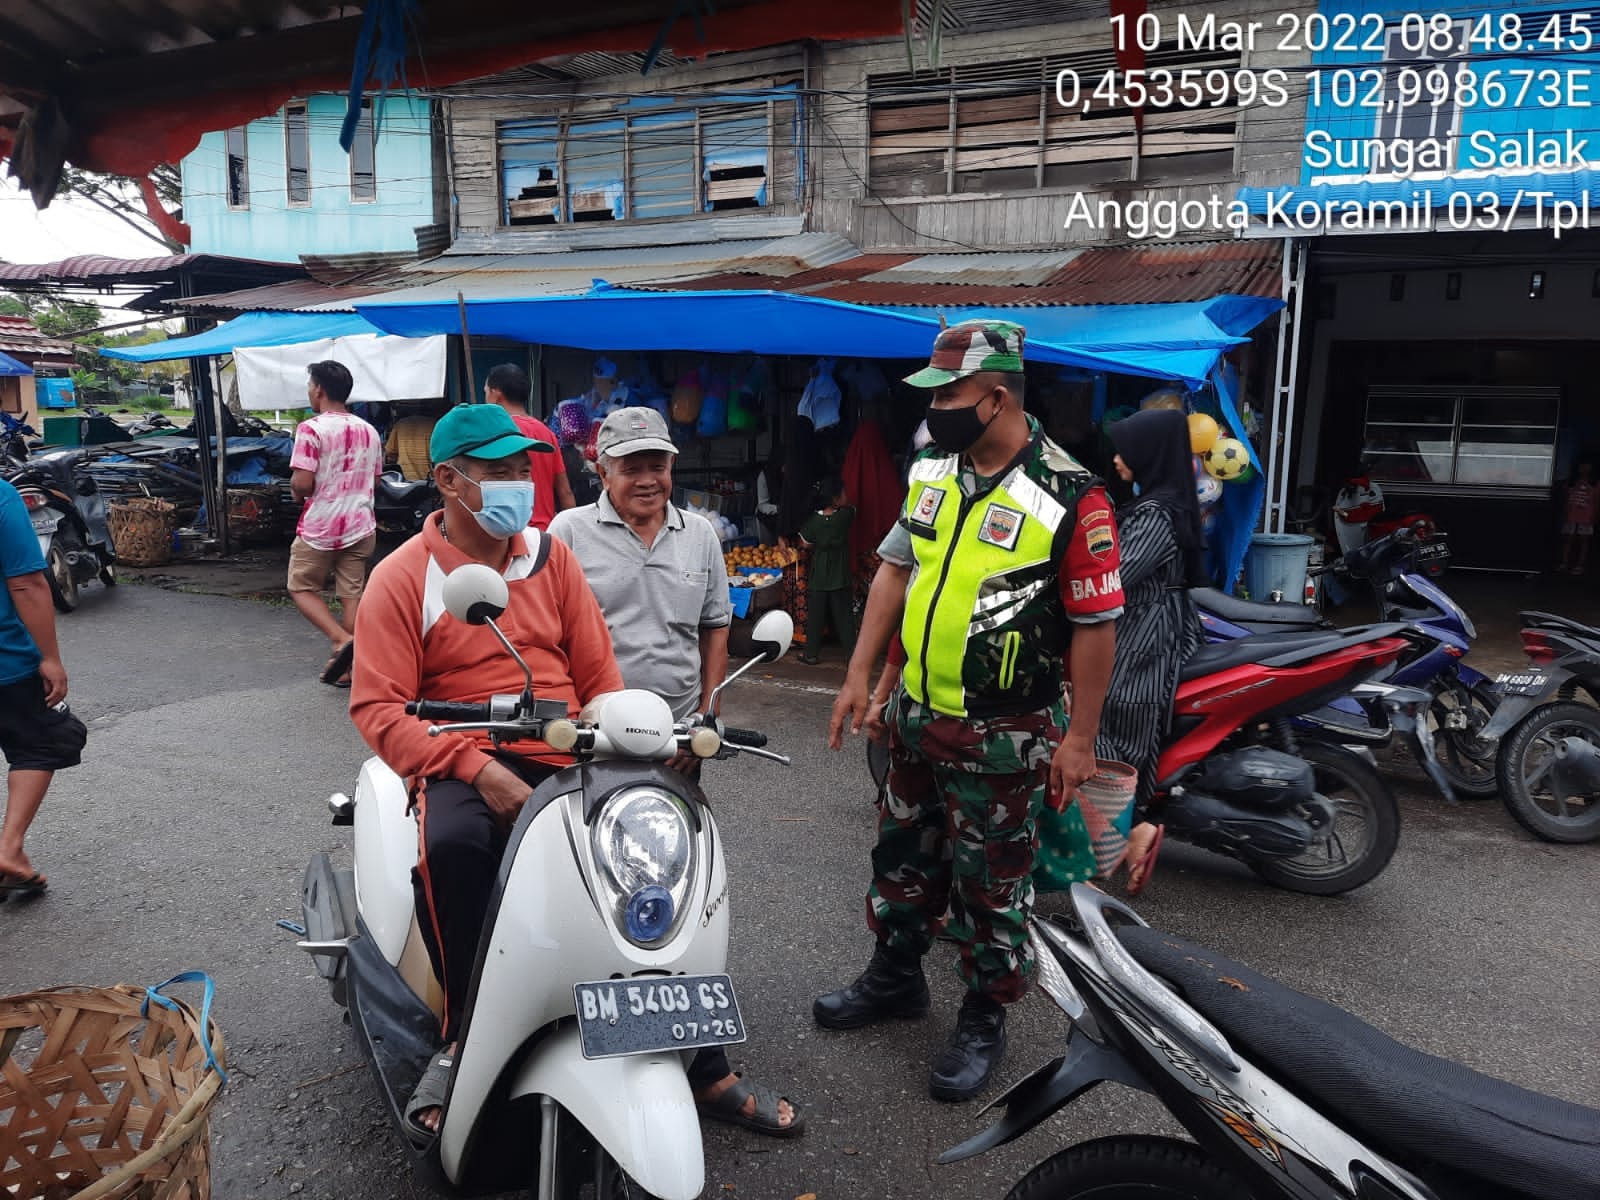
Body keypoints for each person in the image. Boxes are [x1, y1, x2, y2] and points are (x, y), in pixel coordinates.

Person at [817, 320, 1124, 1102]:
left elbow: (1095, 625)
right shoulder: (931, 470)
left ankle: (986, 1013)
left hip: (1005, 731)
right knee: (903, 857)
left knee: (992, 885)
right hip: (917, 714)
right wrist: (867, 680)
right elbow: (896, 574)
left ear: (995, 398)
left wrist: (1081, 738)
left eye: (948, 394)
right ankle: (895, 976)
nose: (936, 408)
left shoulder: (1069, 494)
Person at [350, 404, 620, 1138]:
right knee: (451, 850)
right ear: (448, 480)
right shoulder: (402, 577)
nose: (519, 486)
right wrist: (473, 766)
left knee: (653, 848)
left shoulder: (551, 559)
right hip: (461, 755)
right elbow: (378, 710)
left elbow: (598, 674)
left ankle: (701, 1052)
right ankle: (464, 1028)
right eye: (499, 471)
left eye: (522, 470)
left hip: (564, 745)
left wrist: (630, 733)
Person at [547, 407, 804, 1137]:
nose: (648, 478)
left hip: (680, 749)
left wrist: (708, 715)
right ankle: (572, 1036)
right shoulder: (566, 535)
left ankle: (704, 1066)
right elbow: (548, 633)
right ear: (602, 469)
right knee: (592, 891)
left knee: (683, 898)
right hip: (593, 745)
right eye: (631, 465)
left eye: (658, 463)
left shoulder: (702, 537)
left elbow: (716, 623)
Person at [1097, 409, 1208, 895]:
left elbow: (1113, 577)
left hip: (1143, 632)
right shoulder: (1162, 502)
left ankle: (1120, 836)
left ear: (1149, 454)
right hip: (1153, 623)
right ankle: (1123, 833)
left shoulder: (1156, 514)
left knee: (1113, 724)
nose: (1118, 459)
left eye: (1127, 450)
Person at [0, 478, 87, 897]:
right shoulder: (0, 495)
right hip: (6, 663)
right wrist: (49, 658)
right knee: (43, 741)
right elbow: (26, 584)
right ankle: (10, 847)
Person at [289, 360, 383, 687]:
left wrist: (295, 491)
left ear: (319, 390)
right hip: (361, 522)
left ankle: (340, 641)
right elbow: (376, 479)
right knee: (351, 595)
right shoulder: (369, 431)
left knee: (300, 586)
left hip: (321, 525)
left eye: (310, 387)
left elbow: (302, 483)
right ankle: (350, 668)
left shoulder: (311, 429)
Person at [483, 363, 576, 531]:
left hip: (507, 533)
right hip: (546, 534)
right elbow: (565, 492)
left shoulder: (493, 432)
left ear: (496, 394)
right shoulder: (546, 433)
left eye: (486, 392)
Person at [797, 476, 857, 666]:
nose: (846, 495)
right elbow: (853, 510)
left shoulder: (814, 520)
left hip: (820, 573)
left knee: (816, 617)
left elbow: (805, 543)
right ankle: (852, 655)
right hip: (840, 573)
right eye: (843, 493)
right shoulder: (846, 516)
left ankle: (811, 654)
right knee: (845, 618)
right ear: (835, 498)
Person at [383, 402, 440, 480]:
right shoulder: (435, 424)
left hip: (405, 479)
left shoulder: (400, 424)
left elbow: (390, 452)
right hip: (429, 479)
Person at [1559, 462, 1598, 575]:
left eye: (1587, 466)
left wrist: (1594, 516)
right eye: (1582, 466)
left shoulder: (1595, 483)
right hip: (1570, 515)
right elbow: (1565, 498)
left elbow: (1596, 502)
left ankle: (1580, 565)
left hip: (1586, 516)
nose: (1584, 468)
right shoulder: (1571, 482)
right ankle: (1564, 563)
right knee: (1568, 540)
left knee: (1583, 542)